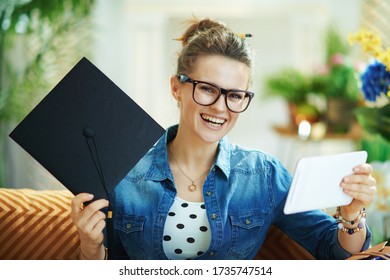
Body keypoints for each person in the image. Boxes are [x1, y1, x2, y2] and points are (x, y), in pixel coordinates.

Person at [70, 17, 377, 260]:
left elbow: (334, 250)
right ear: (177, 87)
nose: (220, 107)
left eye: (235, 95)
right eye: (207, 88)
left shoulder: (264, 175)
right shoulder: (124, 171)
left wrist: (352, 216)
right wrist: (89, 245)